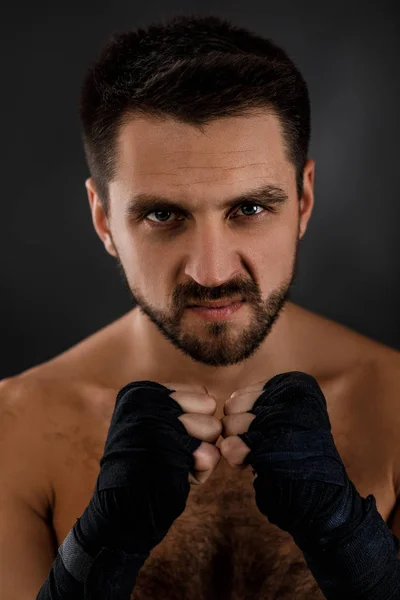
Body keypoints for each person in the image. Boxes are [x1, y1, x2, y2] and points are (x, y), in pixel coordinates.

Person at [1, 14, 400, 600]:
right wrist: (100, 552)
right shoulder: (15, 432)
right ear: (104, 220)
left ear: (304, 199)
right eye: (163, 215)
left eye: (250, 210)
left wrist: (345, 534)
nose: (211, 272)